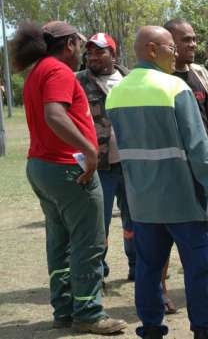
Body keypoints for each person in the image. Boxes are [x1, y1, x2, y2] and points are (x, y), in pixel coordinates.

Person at [105, 26, 208, 339]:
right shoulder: (174, 88)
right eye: (170, 47)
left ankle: (150, 329)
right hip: (183, 200)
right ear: (151, 49)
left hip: (142, 203)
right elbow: (199, 150)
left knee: (148, 270)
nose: (176, 52)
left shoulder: (116, 92)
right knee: (199, 269)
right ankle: (204, 331)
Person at [10, 20, 126, 334]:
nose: (82, 50)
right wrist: (89, 150)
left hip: (42, 166)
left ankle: (64, 311)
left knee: (59, 242)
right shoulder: (58, 70)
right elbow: (55, 114)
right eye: (79, 42)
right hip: (68, 168)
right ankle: (88, 313)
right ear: (70, 44)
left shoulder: (38, 70)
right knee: (87, 243)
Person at [162, 18, 208, 310]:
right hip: (170, 172)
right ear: (168, 43)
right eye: (185, 40)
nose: (192, 44)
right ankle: (161, 290)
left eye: (193, 39)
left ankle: (206, 286)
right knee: (163, 234)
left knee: (205, 232)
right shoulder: (161, 79)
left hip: (202, 167)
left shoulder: (200, 74)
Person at [76, 33, 135, 281]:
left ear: (113, 53)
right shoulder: (77, 81)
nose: (93, 56)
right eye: (90, 52)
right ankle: (98, 272)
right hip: (98, 165)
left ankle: (138, 265)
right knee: (98, 224)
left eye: (100, 51)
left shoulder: (131, 80)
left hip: (132, 163)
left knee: (135, 220)